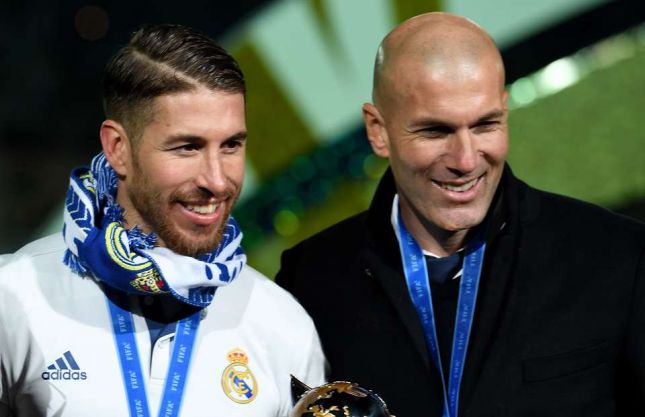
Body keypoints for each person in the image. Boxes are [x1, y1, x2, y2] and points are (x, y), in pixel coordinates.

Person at [276, 12, 645, 417]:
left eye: (485, 125)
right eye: (435, 131)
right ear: (378, 130)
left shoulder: (616, 257)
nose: (466, 161)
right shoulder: (311, 279)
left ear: (504, 111)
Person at [0, 24, 325, 417]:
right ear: (118, 149)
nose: (217, 180)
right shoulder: (14, 297)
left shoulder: (282, 322)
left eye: (231, 145)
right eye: (187, 147)